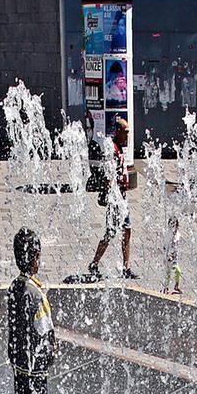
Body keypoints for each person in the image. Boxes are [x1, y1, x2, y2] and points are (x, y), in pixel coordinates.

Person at [7, 228, 64, 394]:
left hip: (19, 365)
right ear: (34, 260)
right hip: (36, 368)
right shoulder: (36, 293)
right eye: (38, 256)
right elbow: (44, 328)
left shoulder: (14, 287)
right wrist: (53, 349)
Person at [87, 117, 137, 280]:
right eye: (126, 132)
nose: (128, 136)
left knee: (126, 230)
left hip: (122, 199)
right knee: (110, 232)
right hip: (116, 201)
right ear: (119, 131)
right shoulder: (113, 149)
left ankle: (126, 268)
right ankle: (94, 264)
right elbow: (109, 174)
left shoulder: (119, 148)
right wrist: (108, 194)